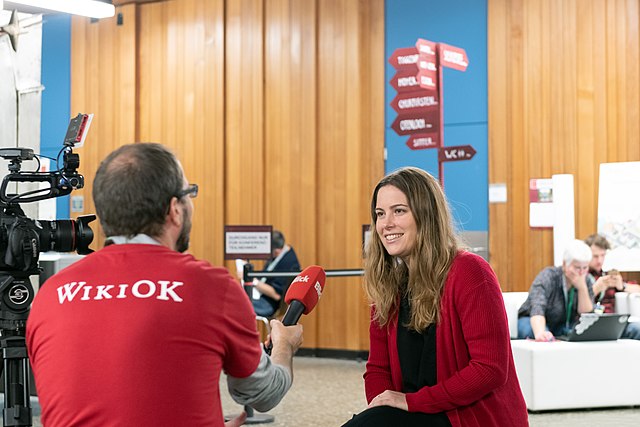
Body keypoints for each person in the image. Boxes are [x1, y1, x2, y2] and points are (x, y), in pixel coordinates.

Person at [26, 143, 303, 427]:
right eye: (188, 194)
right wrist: (285, 345)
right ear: (174, 210)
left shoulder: (49, 294)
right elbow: (263, 393)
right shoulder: (211, 287)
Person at [343, 167, 528, 427]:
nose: (386, 224)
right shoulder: (389, 286)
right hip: (415, 413)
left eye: (399, 211)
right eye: (380, 214)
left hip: (467, 417)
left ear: (426, 214)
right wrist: (382, 408)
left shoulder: (470, 272)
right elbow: (377, 369)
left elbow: (490, 369)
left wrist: (410, 403)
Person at [517, 239, 595, 341]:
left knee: (580, 332)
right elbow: (537, 308)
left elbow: (586, 314)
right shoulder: (548, 276)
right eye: (577, 267)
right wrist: (540, 333)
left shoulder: (587, 279)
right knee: (535, 332)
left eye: (585, 268)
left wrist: (582, 288)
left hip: (562, 324)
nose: (581, 273)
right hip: (533, 319)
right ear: (564, 264)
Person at [586, 233, 640, 339]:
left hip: (612, 323)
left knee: (637, 328)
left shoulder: (608, 275)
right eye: (595, 256)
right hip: (590, 322)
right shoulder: (580, 275)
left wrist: (622, 286)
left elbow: (637, 289)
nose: (599, 260)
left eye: (603, 255)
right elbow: (574, 303)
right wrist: (595, 289)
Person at [249, 230, 301, 317]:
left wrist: (253, 281)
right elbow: (265, 276)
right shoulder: (279, 254)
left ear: (276, 251)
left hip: (269, 304)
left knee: (239, 305)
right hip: (260, 296)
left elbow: (276, 295)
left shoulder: (288, 263)